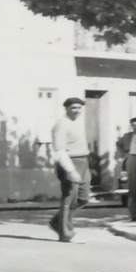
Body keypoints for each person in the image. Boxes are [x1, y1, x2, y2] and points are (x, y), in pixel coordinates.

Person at [48, 96, 91, 243]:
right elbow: (60, 150)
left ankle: (57, 222)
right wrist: (71, 170)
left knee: (83, 198)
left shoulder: (78, 122)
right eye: (73, 108)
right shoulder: (61, 124)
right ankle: (65, 233)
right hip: (70, 162)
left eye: (79, 108)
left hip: (83, 161)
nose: (76, 111)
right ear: (66, 109)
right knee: (69, 198)